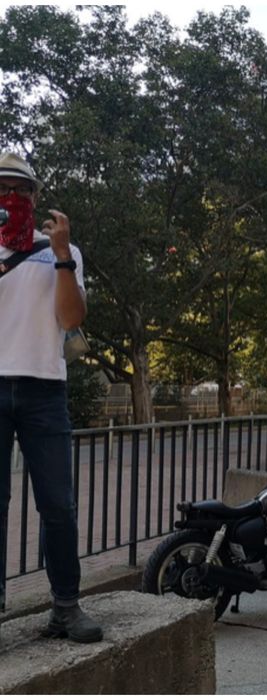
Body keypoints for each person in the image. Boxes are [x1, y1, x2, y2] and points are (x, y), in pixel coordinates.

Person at [0, 153, 101, 642]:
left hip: (44, 388)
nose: (12, 198)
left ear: (36, 197)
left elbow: (71, 318)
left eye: (20, 189)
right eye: (2, 189)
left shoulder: (64, 251)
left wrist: (60, 253)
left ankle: (65, 606)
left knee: (58, 504)